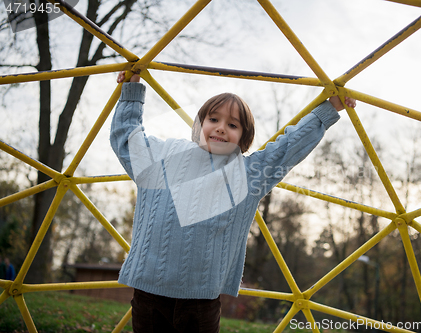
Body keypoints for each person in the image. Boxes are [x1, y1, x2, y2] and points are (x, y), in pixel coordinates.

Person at [111, 71, 356, 333]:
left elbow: (286, 149)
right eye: (213, 119)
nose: (220, 127)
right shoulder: (163, 157)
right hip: (148, 292)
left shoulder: (249, 174)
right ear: (199, 125)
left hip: (201, 300)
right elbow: (127, 139)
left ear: (244, 137)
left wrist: (329, 110)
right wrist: (132, 91)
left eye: (232, 124)